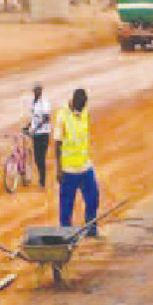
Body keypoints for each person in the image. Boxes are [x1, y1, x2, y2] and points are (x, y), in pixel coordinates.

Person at [54, 89, 99, 237]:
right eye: (80, 105)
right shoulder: (62, 116)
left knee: (93, 197)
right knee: (67, 204)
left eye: (84, 105)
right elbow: (57, 143)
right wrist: (59, 169)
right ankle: (66, 234)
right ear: (73, 101)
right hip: (69, 170)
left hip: (85, 166)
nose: (82, 108)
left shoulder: (85, 112)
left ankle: (91, 228)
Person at [29, 82, 51, 188]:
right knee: (37, 159)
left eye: (39, 90)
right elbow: (34, 118)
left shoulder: (44, 103)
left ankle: (42, 181)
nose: (37, 92)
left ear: (41, 91)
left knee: (41, 158)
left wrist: (35, 128)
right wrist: (29, 126)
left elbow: (46, 118)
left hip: (44, 133)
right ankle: (41, 179)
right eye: (35, 91)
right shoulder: (33, 103)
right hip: (36, 134)